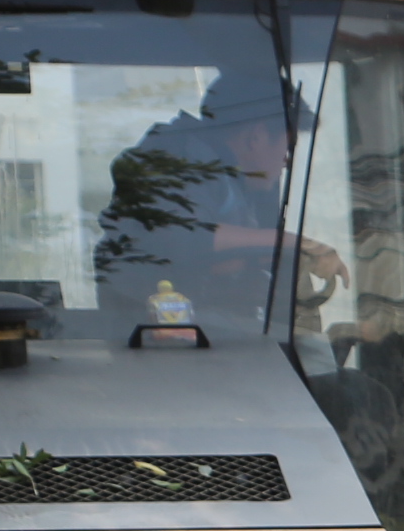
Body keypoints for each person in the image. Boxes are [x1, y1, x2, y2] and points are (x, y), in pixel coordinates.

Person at [95, 66, 341, 334]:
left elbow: (216, 256)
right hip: (150, 337)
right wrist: (293, 243)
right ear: (256, 136)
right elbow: (184, 235)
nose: (287, 160)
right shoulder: (175, 160)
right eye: (286, 146)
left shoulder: (228, 177)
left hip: (199, 328)